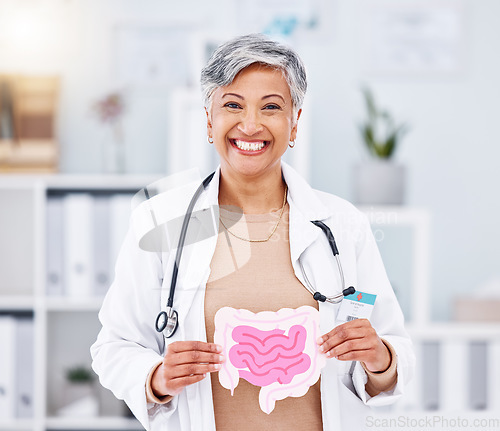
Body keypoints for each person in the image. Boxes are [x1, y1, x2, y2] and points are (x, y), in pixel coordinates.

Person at [91, 33, 414, 430]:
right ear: (209, 120)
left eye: (271, 107)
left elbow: (394, 357)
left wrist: (380, 357)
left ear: (294, 122)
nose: (250, 124)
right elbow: (114, 347)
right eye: (232, 105)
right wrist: (156, 377)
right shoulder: (162, 221)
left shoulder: (342, 224)